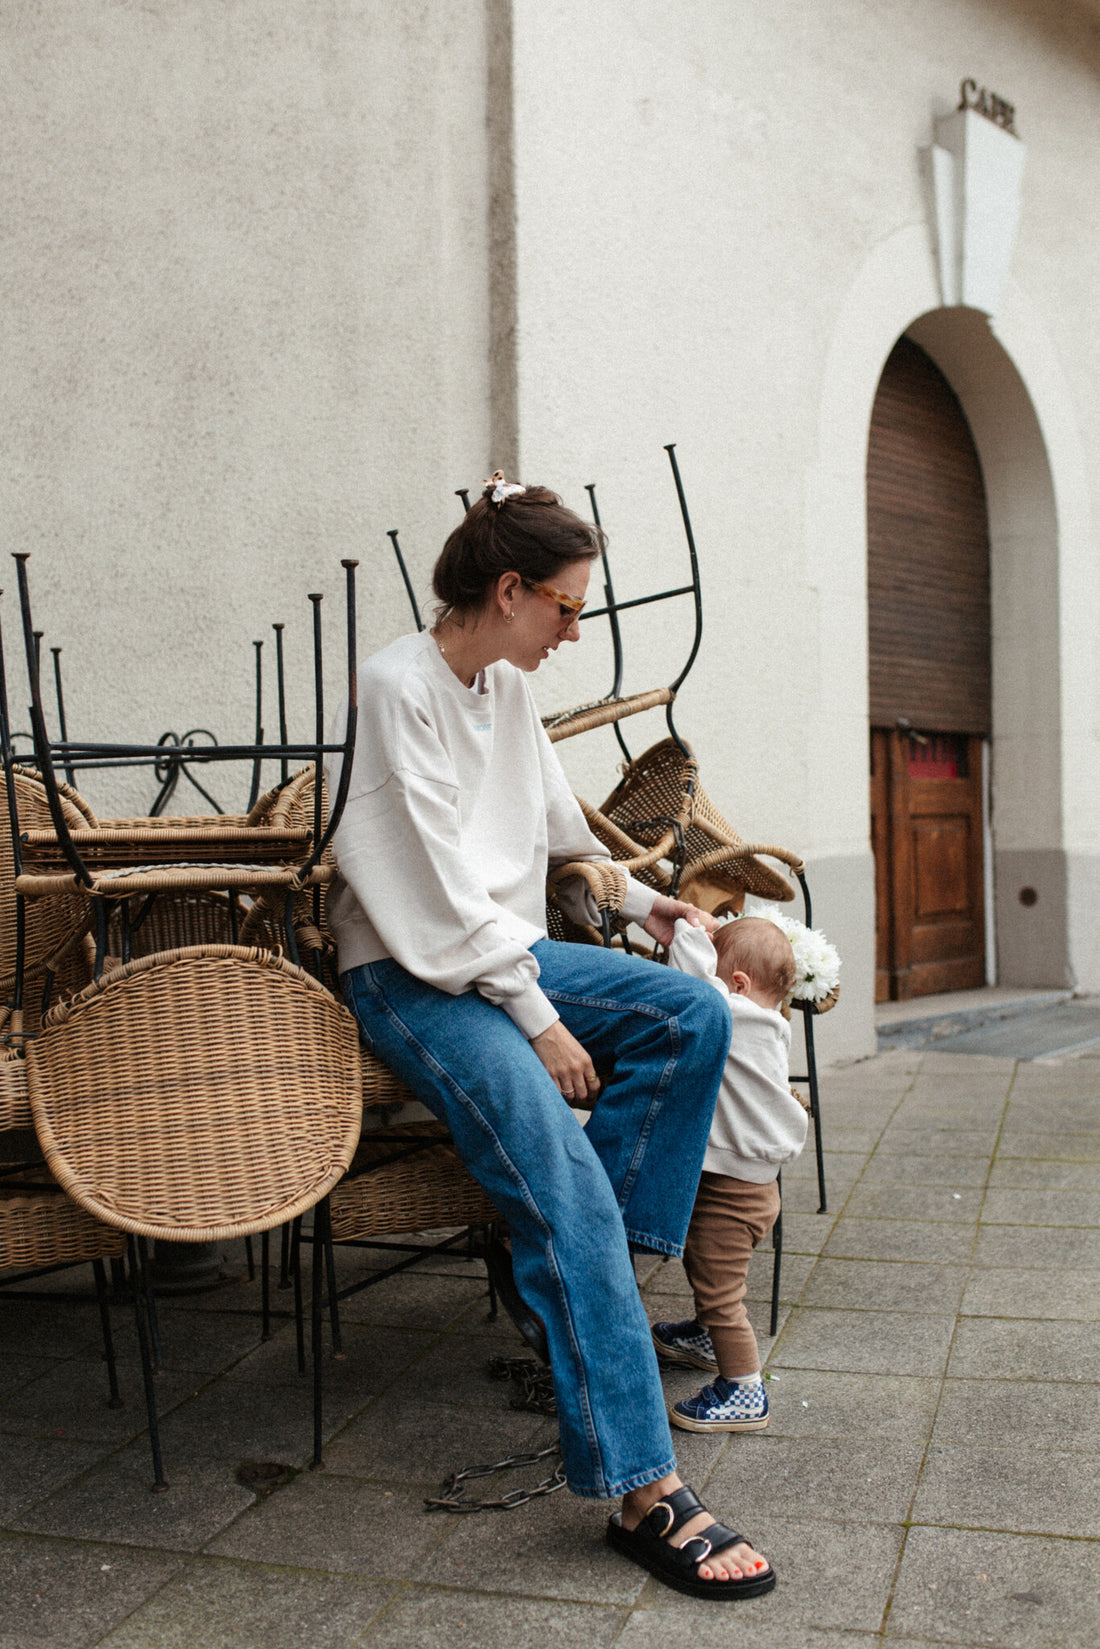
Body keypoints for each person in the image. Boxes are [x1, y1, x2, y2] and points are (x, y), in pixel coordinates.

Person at [325, 474, 775, 1601]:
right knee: (562, 1177)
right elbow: (425, 884)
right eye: (566, 609)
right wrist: (537, 1023)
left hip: (502, 949)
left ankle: (589, 1296)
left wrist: (641, 904)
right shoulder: (397, 684)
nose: (575, 633)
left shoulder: (505, 687)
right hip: (410, 973)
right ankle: (642, 1486)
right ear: (511, 587)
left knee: (690, 1008)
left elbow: (556, 825)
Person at [653, 915, 808, 1431]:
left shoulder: (733, 1013)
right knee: (706, 1270)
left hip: (731, 1195)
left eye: (723, 974)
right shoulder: (768, 1026)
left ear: (737, 984)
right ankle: (701, 1338)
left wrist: (687, 927)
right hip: (752, 1189)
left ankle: (744, 1391)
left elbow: (688, 984)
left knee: (724, 1296)